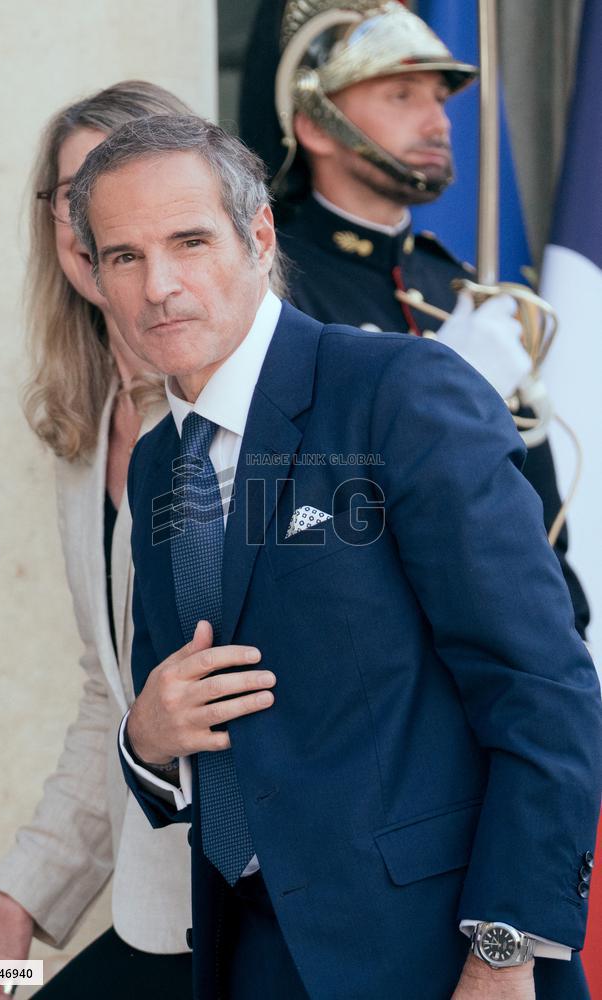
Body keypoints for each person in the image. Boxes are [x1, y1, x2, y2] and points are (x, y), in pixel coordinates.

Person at [67, 114, 602, 1000]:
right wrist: (144, 741)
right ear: (94, 275)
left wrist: (506, 949)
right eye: (125, 257)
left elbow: (542, 685)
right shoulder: (160, 460)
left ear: (259, 235)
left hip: (441, 958)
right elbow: (181, 721)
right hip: (248, 959)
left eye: (189, 241)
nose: (160, 285)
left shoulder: (399, 392)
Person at [0, 82, 196, 999]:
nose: (95, 215)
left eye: (123, 178)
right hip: (174, 905)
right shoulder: (87, 434)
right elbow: (115, 692)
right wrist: (21, 893)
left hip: (299, 907)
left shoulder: (257, 405)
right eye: (73, 192)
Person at [239, 0, 590, 637]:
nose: (438, 121)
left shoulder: (453, 283)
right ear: (317, 124)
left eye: (438, 96)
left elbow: (532, 508)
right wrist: (440, 391)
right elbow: (287, 510)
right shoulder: (268, 287)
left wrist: (564, 629)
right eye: (402, 95)